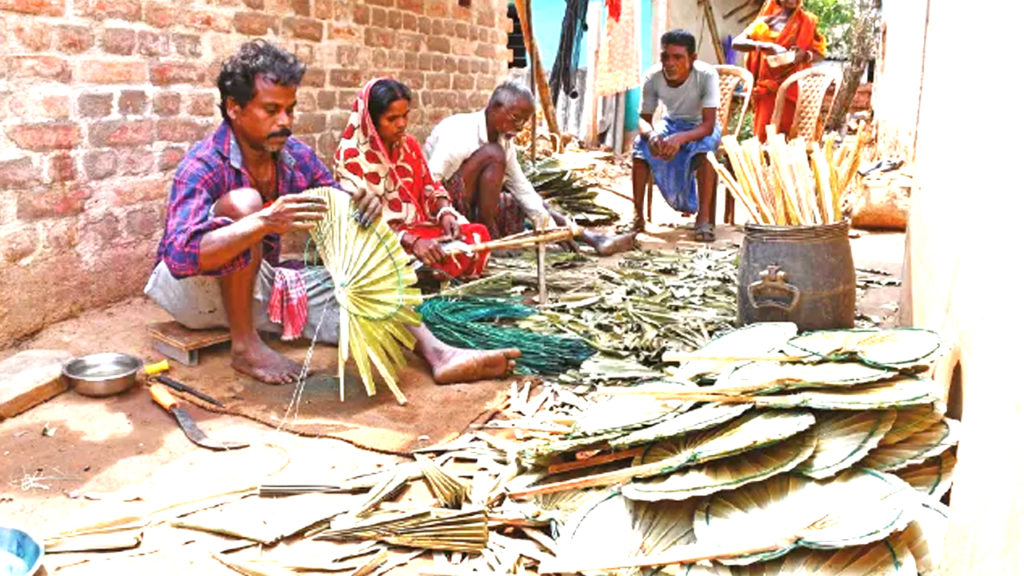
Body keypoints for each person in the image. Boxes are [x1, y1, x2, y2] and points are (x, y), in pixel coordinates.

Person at [145, 40, 518, 385]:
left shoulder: (293, 156)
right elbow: (179, 256)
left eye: (290, 109)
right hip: (193, 293)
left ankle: (440, 354)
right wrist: (261, 222)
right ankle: (245, 347)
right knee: (244, 203)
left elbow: (334, 200)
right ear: (234, 109)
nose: (285, 121)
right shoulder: (204, 164)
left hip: (256, 288)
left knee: (363, 295)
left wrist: (359, 205)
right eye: (271, 110)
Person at [424, 82, 635, 255]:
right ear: (495, 107)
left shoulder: (504, 141)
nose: (519, 127)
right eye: (516, 118)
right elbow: (429, 183)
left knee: (525, 198)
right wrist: (450, 218)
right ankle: (489, 234)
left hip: (469, 203)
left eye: (524, 122)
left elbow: (522, 188)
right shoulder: (459, 132)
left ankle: (585, 236)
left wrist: (552, 231)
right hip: (441, 207)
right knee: (494, 154)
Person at [333, 78, 492, 280]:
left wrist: (445, 213)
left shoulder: (408, 145)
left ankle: (429, 274)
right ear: (370, 120)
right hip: (381, 241)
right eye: (391, 119)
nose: (401, 124)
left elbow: (430, 185)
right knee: (402, 261)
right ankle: (424, 275)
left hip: (418, 230)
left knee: (477, 235)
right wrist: (411, 241)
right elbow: (359, 222)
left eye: (405, 115)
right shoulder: (351, 157)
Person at [631, 29, 722, 242]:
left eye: (678, 57)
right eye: (665, 56)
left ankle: (703, 219)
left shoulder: (706, 75)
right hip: (670, 124)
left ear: (692, 58)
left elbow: (709, 125)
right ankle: (637, 216)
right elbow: (643, 120)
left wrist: (680, 139)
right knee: (639, 146)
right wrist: (652, 136)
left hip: (700, 126)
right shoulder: (653, 76)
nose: (670, 63)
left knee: (706, 153)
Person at [732, 0, 827, 141]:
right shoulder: (765, 22)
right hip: (768, 89)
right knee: (764, 139)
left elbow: (820, 54)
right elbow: (737, 43)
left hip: (795, 89)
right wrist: (765, 46)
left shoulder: (807, 21)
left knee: (797, 139)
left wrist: (805, 55)